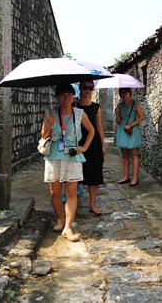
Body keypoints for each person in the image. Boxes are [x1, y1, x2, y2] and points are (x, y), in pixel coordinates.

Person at [41, 84, 95, 242]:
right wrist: (48, 124)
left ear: (73, 97)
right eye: (62, 95)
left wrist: (84, 147)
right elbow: (44, 136)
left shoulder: (79, 114)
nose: (66, 98)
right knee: (55, 192)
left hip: (72, 155)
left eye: (69, 95)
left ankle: (68, 227)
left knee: (71, 192)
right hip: (54, 155)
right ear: (57, 97)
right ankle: (60, 219)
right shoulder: (51, 114)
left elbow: (91, 131)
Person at [76, 79, 106, 215]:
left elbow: (99, 127)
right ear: (80, 88)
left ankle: (92, 205)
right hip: (77, 142)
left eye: (90, 88)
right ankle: (73, 204)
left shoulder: (96, 107)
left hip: (94, 144)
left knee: (94, 175)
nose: (87, 90)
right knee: (76, 175)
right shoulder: (73, 105)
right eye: (85, 87)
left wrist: (103, 145)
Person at [115, 88, 145, 186]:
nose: (123, 95)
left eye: (125, 93)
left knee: (134, 155)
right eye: (121, 93)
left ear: (129, 93)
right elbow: (118, 121)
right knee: (124, 156)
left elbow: (142, 117)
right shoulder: (119, 106)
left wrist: (131, 125)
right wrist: (117, 114)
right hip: (122, 130)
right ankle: (125, 177)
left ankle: (135, 179)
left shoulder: (135, 104)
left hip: (132, 130)